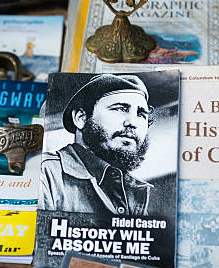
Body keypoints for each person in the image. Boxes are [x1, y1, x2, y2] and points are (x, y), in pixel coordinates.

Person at [40, 74, 157, 216]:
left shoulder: (135, 190)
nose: (132, 122)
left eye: (141, 114)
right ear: (81, 118)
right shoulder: (46, 172)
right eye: (120, 108)